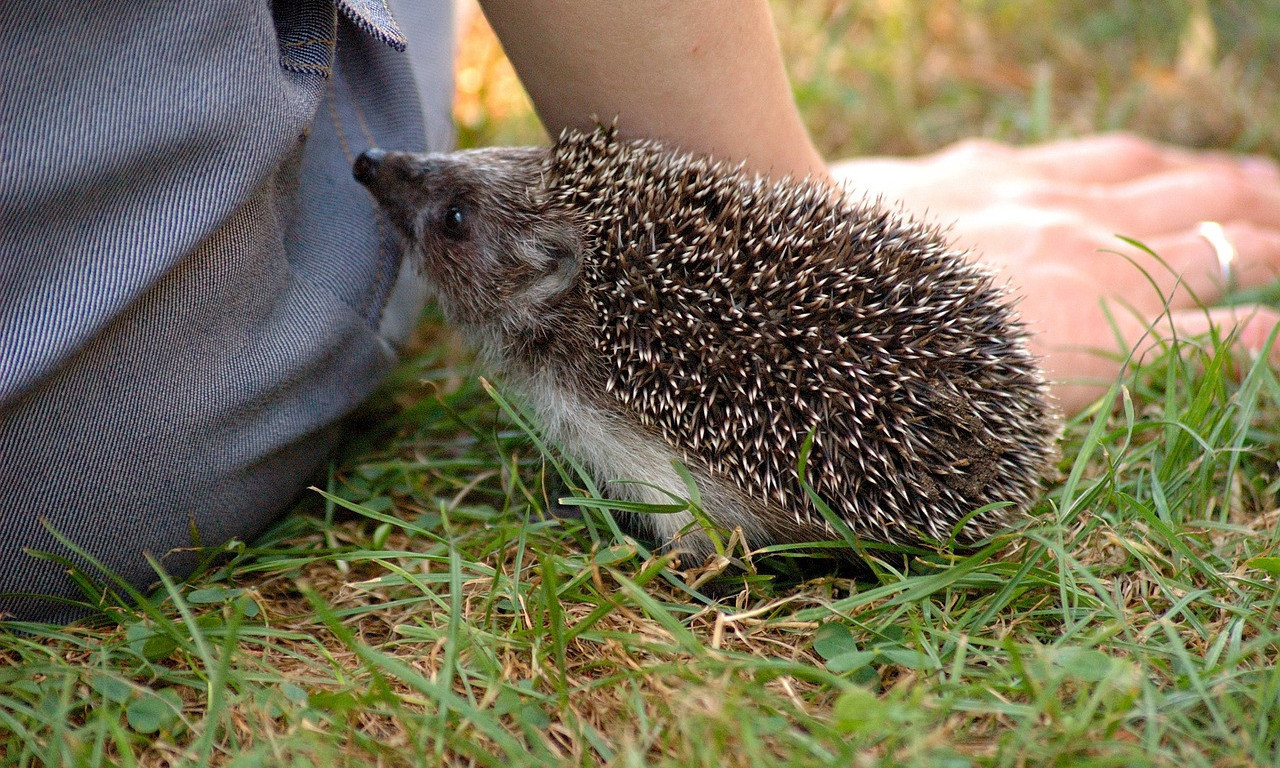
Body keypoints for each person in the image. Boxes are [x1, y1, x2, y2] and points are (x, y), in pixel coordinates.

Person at [2, 0, 1277, 624]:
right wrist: (771, 193)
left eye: (448, 224)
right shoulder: (579, 319)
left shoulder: (584, 371)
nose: (392, 187)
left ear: (549, 287)